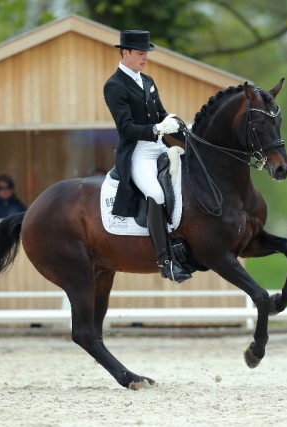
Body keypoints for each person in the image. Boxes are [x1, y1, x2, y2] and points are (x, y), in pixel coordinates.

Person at [103, 30, 191, 283]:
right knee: (156, 193)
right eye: (141, 54)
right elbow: (126, 129)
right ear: (126, 52)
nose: (145, 58)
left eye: (146, 54)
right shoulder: (114, 86)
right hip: (137, 151)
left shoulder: (148, 80)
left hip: (159, 146)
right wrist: (155, 129)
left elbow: (161, 115)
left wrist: (177, 126)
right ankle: (165, 260)